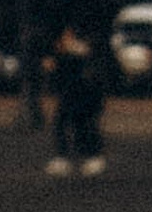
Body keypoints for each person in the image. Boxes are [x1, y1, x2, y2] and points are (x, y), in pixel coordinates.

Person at [43, 23, 109, 178]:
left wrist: (55, 62)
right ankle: (84, 158)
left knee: (76, 125)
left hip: (82, 95)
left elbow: (70, 69)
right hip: (75, 95)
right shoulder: (74, 51)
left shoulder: (78, 51)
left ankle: (84, 157)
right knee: (73, 125)